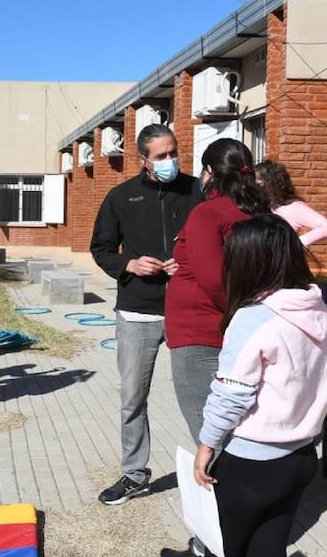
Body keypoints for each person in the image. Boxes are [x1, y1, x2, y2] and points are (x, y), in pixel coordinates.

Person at [189, 214, 327, 557]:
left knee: (221, 546)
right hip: (301, 456)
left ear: (247, 263)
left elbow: (231, 394)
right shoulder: (318, 310)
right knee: (269, 547)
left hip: (252, 462)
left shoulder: (254, 318)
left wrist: (206, 446)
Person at [164, 138, 269, 557]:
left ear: (210, 172)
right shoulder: (259, 213)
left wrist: (241, 319)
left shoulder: (208, 212)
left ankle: (215, 542)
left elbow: (213, 281)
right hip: (234, 333)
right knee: (235, 434)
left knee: (211, 442)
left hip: (201, 335)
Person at [89, 124, 200, 505]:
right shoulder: (122, 197)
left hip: (190, 310)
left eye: (174, 153)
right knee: (133, 398)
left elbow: (218, 243)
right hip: (139, 312)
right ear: (142, 160)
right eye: (161, 156)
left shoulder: (196, 191)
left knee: (201, 397)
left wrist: (187, 264)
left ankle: (215, 468)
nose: (170, 161)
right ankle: (134, 474)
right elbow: (101, 248)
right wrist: (130, 264)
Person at [254, 159, 327, 247]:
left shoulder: (293, 208)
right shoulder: (259, 206)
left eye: (259, 179)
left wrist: (294, 245)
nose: (255, 183)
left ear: (271, 183)